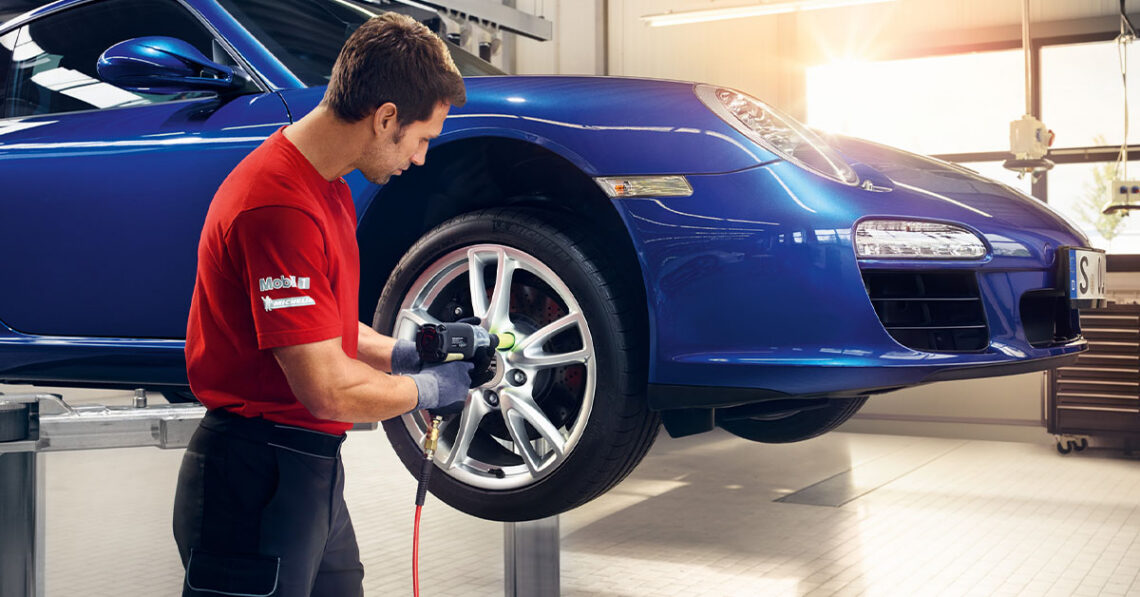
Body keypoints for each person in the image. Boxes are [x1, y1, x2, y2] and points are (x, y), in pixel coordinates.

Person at [173, 13, 471, 597]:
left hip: (310, 472)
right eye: (423, 138)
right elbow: (327, 388)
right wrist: (430, 391)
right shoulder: (277, 206)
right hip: (253, 477)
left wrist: (415, 352)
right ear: (386, 117)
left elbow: (321, 326)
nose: (420, 158)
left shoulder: (326, 185)